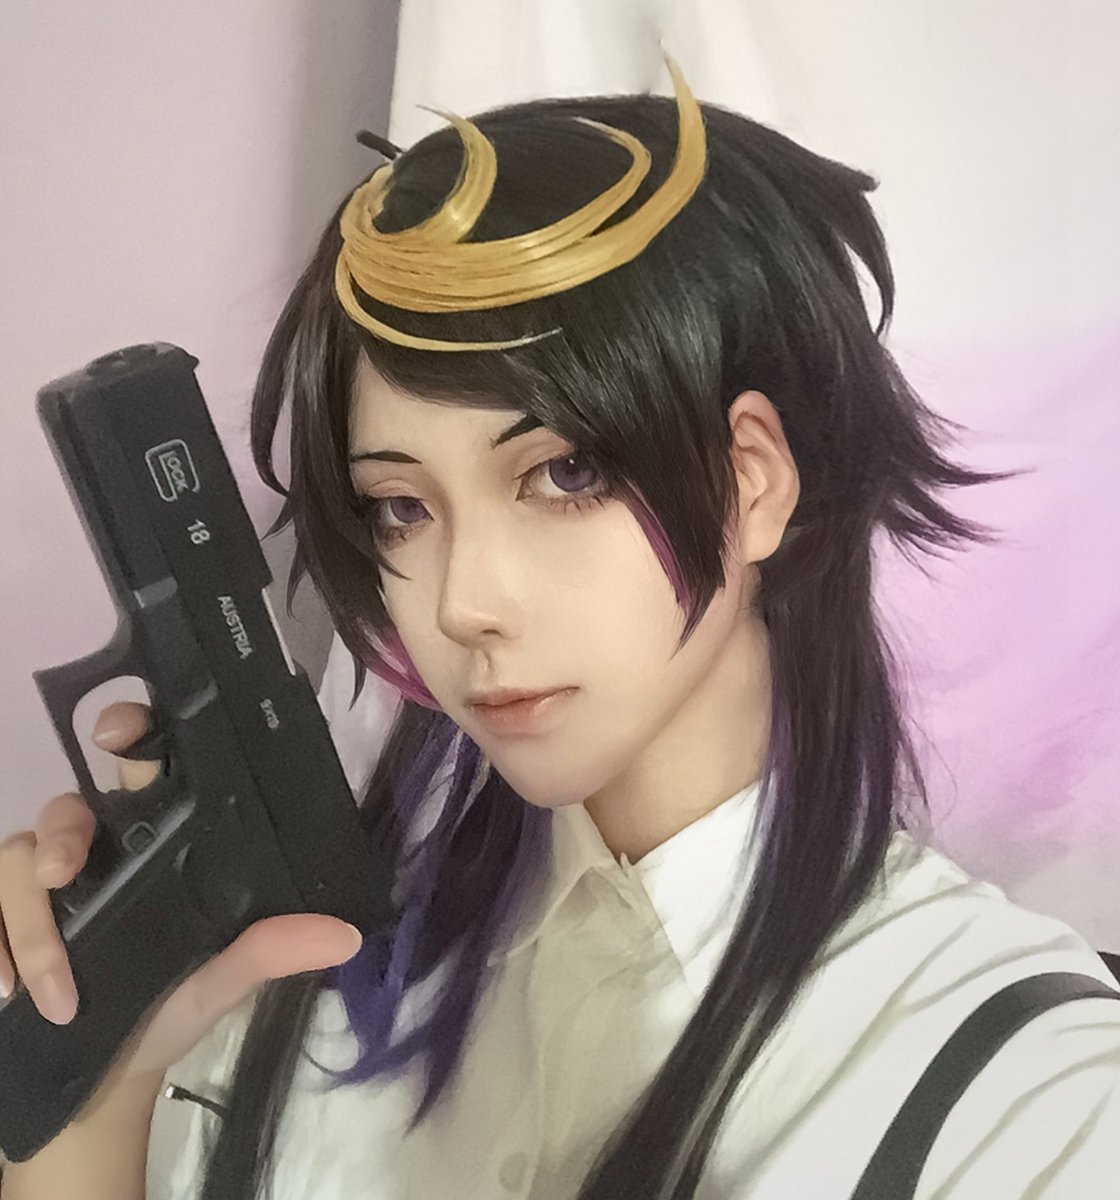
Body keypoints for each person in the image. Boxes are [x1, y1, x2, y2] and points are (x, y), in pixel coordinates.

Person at [2, 61, 1118, 1200]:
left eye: (566, 473)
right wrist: (100, 1081)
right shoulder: (307, 970)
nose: (460, 604)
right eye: (401, 507)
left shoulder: (1028, 1093)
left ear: (752, 481)